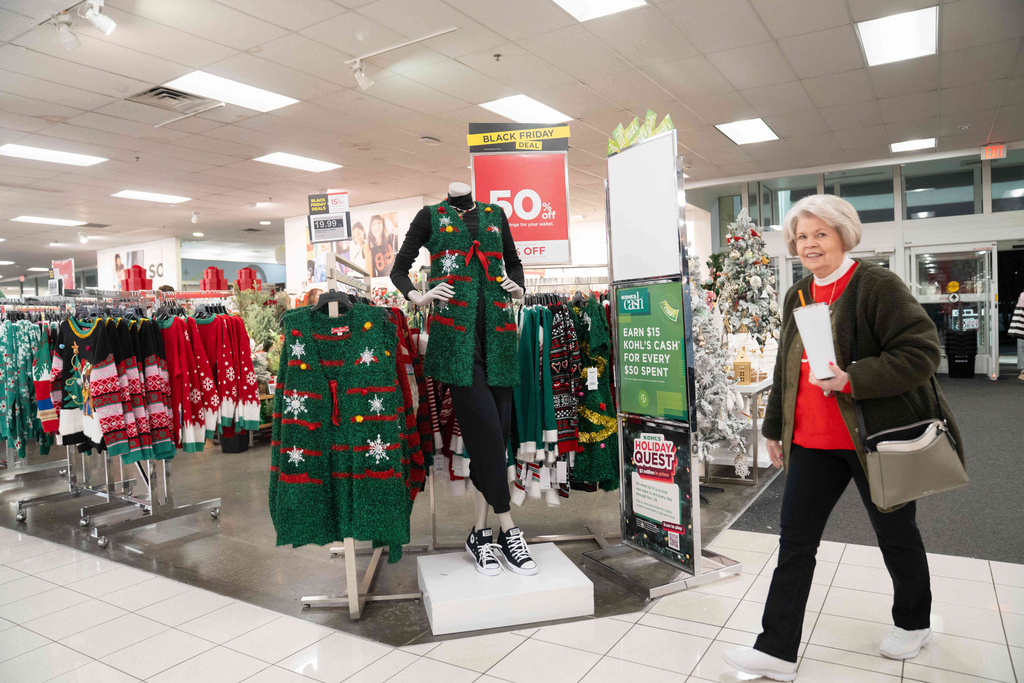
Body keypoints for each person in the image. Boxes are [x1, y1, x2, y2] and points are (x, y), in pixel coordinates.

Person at [724, 195, 965, 681]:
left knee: (895, 535)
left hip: (873, 440)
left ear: (843, 236)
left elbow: (921, 352)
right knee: (795, 542)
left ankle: (914, 622)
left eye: (820, 234)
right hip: (813, 441)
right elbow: (785, 367)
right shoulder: (797, 294)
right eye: (802, 236)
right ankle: (777, 649)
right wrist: (775, 427)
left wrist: (852, 377)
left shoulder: (875, 285)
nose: (809, 244)